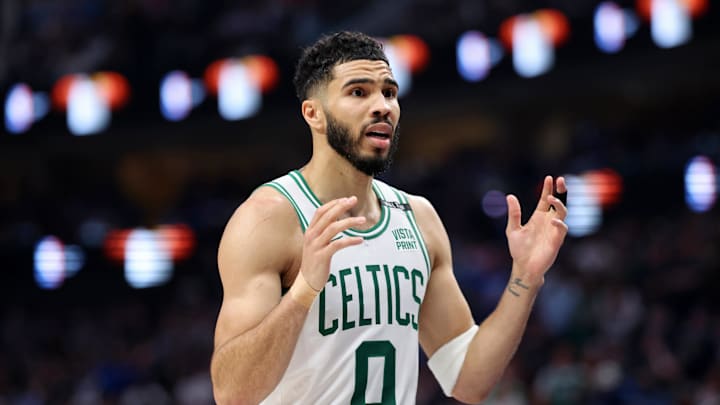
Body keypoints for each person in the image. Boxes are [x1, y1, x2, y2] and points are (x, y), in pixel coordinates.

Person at [210, 31, 568, 405]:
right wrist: (303, 290)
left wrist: (525, 276)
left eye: (389, 92)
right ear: (313, 113)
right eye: (358, 92)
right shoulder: (268, 219)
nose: (382, 105)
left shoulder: (418, 218)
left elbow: (467, 378)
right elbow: (232, 392)